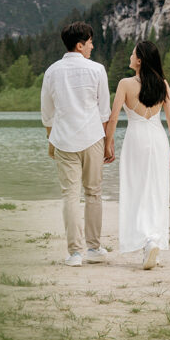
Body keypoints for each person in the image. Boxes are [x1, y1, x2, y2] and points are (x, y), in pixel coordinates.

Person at [40, 21, 112, 267]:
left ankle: (75, 254)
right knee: (93, 193)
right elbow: (105, 113)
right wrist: (106, 143)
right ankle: (93, 247)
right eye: (90, 42)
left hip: (63, 140)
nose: (92, 46)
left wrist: (52, 140)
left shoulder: (51, 71)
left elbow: (47, 113)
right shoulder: (97, 70)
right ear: (80, 45)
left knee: (70, 196)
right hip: (93, 138)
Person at [104, 40, 170, 270]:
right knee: (156, 191)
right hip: (158, 140)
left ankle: (147, 241)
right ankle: (153, 239)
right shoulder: (163, 85)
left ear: (140, 60)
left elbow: (114, 117)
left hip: (136, 140)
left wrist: (109, 143)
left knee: (135, 189)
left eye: (133, 53)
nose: (129, 55)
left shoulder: (125, 84)